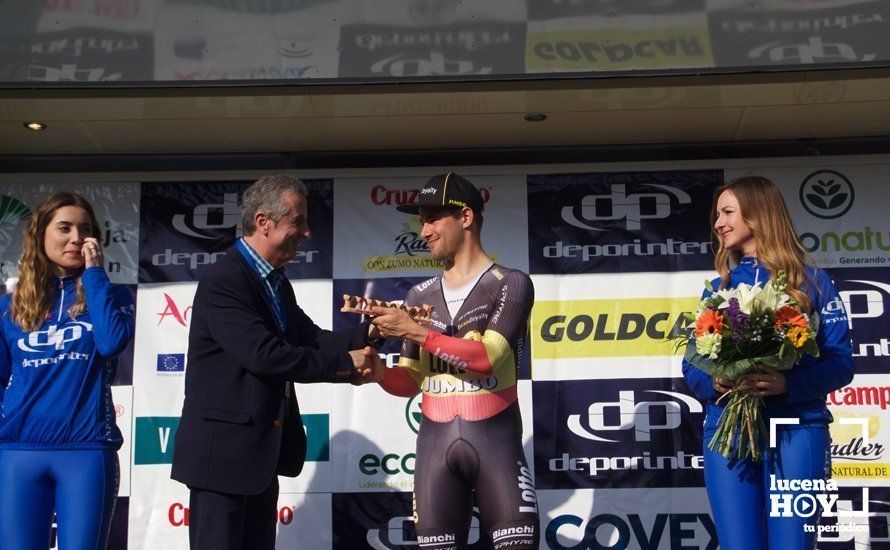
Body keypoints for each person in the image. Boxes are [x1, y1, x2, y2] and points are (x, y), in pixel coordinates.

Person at [171, 175, 383, 550]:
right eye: (298, 221)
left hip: (258, 460)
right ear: (263, 221)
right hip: (221, 461)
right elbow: (264, 355)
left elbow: (313, 338)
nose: (306, 233)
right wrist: (346, 366)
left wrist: (374, 331)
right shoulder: (225, 278)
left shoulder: (275, 283)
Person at [682, 176, 854, 550]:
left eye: (727, 213)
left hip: (796, 429)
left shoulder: (812, 282)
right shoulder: (717, 290)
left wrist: (788, 384)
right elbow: (691, 365)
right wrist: (713, 382)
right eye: (717, 215)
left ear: (758, 215)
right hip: (728, 432)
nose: (718, 224)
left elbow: (841, 363)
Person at [369, 173, 539, 549]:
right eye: (421, 221)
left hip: (496, 443)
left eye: (433, 218)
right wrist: (377, 371)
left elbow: (487, 358)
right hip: (435, 450)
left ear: (465, 217)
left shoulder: (510, 283)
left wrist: (414, 332)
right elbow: (411, 382)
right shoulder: (420, 294)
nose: (423, 231)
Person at [0, 192, 135, 550]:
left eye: (86, 229)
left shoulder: (111, 297)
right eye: (65, 228)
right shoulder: (8, 307)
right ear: (40, 234)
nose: (77, 238)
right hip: (17, 453)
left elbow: (110, 344)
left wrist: (94, 274)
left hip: (86, 452)